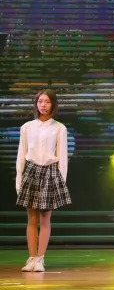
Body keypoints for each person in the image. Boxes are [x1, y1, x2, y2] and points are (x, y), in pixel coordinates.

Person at [16, 89, 70, 273]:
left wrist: (60, 182)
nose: (43, 105)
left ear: (53, 104)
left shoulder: (59, 128)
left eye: (47, 102)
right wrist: (19, 180)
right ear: (36, 104)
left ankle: (40, 259)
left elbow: (62, 157)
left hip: (50, 172)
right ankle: (31, 258)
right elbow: (21, 155)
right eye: (40, 101)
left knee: (45, 217)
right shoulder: (27, 127)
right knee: (31, 218)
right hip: (31, 171)